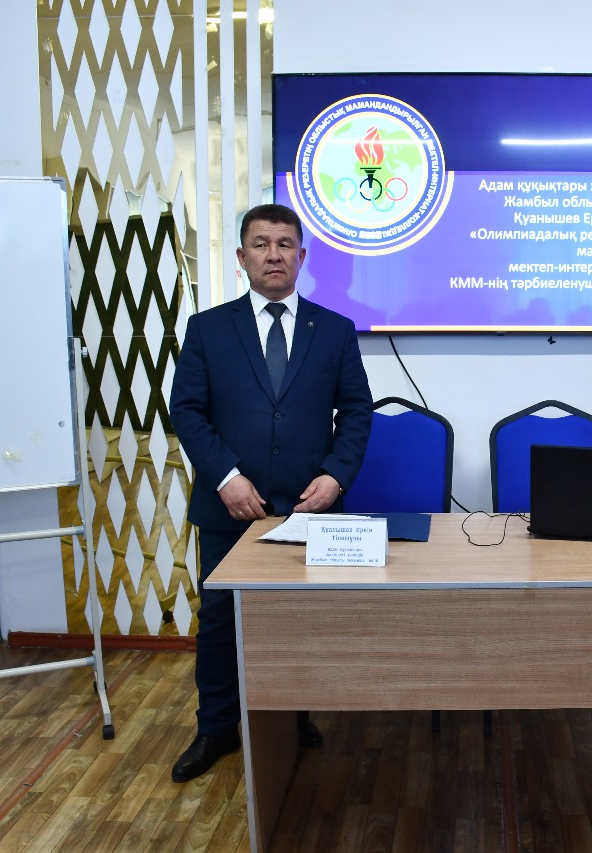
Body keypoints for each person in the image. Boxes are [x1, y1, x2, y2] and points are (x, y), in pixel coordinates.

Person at [168, 203, 373, 782]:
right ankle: (216, 728)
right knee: (220, 620)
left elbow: (357, 411)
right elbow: (187, 411)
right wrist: (226, 478)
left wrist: (335, 477)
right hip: (230, 506)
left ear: (302, 257)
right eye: (261, 244)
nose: (274, 254)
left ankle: (292, 715)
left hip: (310, 505)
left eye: (285, 244)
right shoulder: (208, 329)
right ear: (241, 257)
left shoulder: (333, 330)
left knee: (301, 619)